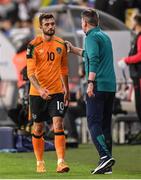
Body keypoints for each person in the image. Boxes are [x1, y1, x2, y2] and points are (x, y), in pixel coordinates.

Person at [65, 8, 116, 174]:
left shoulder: (91, 37)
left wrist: (90, 82)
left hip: (98, 85)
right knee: (105, 124)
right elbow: (90, 54)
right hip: (110, 86)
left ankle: (104, 157)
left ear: (84, 23)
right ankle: (107, 163)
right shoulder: (104, 36)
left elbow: (93, 59)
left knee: (93, 122)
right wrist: (73, 50)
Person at [26, 13, 70, 173]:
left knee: (58, 124)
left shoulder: (61, 44)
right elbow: (30, 73)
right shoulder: (33, 46)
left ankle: (61, 162)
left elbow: (64, 69)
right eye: (47, 24)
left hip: (57, 92)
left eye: (52, 23)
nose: (51, 26)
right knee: (38, 128)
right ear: (41, 27)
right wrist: (40, 89)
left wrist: (67, 89)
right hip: (37, 94)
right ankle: (40, 162)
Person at [119, 14, 141, 129]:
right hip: (137, 76)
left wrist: (126, 60)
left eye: (131, 21)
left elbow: (140, 55)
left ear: (136, 22)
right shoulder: (137, 37)